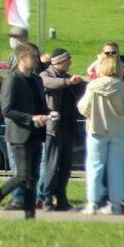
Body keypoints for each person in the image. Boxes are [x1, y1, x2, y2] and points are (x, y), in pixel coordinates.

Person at [0, 45, 50, 220]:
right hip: (19, 134)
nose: (36, 60)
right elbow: (7, 110)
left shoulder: (37, 80)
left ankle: (30, 214)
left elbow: (41, 105)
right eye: (33, 57)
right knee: (22, 175)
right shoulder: (12, 80)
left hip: (36, 134)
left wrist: (47, 115)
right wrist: (31, 118)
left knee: (33, 177)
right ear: (22, 58)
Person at [77, 53, 124, 215]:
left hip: (96, 129)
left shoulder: (93, 86)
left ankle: (92, 203)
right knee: (117, 168)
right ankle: (115, 204)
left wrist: (92, 114)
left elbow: (83, 107)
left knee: (94, 167)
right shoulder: (121, 87)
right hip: (118, 130)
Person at [38, 49, 84, 211]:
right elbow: (48, 84)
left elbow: (82, 90)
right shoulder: (46, 74)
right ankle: (47, 199)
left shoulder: (67, 77)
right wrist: (68, 83)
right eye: (68, 60)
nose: (70, 63)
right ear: (60, 61)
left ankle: (62, 199)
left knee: (65, 167)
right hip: (53, 130)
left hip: (68, 128)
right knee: (52, 166)